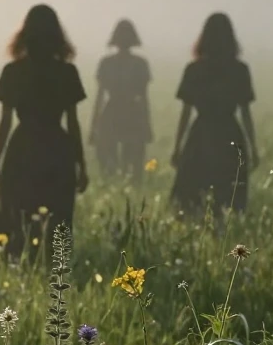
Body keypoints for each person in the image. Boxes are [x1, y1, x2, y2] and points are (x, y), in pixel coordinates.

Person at [0, 4, 88, 257]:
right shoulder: (67, 72)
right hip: (58, 150)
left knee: (18, 214)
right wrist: (81, 165)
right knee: (57, 219)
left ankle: (18, 266)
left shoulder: (13, 71)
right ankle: (53, 273)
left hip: (23, 148)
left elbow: (5, 122)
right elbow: (73, 123)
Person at [171, 13, 257, 214]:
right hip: (230, 135)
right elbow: (246, 113)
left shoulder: (194, 69)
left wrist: (177, 148)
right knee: (229, 194)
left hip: (201, 135)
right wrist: (253, 147)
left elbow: (185, 113)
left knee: (195, 193)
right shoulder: (240, 70)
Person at [89, 19, 152, 181]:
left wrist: (93, 127)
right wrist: (147, 125)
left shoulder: (106, 63)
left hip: (112, 112)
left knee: (109, 165)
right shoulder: (140, 64)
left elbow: (99, 98)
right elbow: (144, 98)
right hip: (133, 113)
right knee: (132, 165)